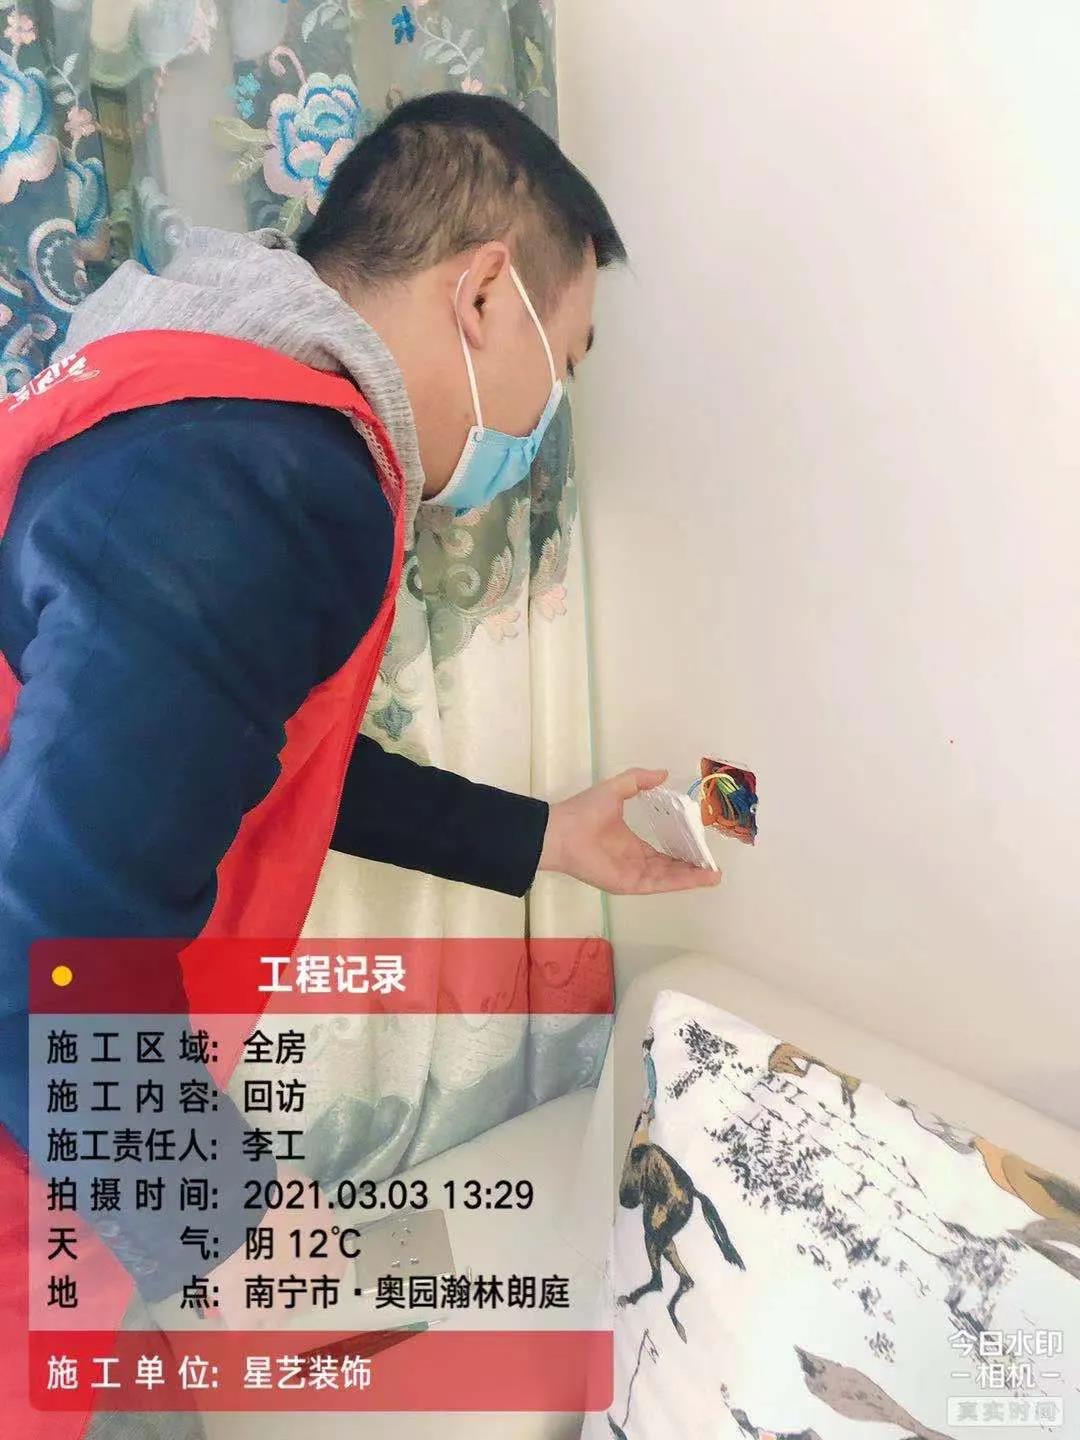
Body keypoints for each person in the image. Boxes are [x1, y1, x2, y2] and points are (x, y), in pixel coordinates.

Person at [0, 94, 719, 1321]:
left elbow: (257, 751)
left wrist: (546, 835)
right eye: (565, 364)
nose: (544, 421)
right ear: (483, 294)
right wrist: (220, 1217)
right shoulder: (263, 477)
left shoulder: (198, 395)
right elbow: (44, 946)